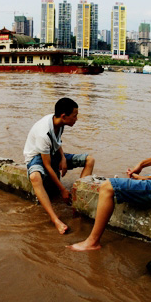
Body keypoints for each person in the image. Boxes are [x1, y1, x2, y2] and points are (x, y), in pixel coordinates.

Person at [69, 74, 151, 251]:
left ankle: (92, 242)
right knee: (135, 181)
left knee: (107, 187)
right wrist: (142, 164)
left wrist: (144, 180)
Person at [23, 97, 95, 234]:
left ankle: (77, 202)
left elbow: (57, 142)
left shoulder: (58, 123)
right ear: (64, 116)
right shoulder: (44, 134)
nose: (76, 119)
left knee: (89, 160)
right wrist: (62, 189)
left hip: (53, 153)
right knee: (35, 178)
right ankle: (55, 220)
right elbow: (47, 165)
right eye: (75, 116)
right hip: (37, 157)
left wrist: (62, 158)